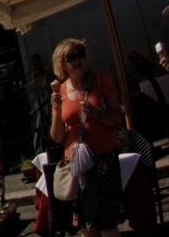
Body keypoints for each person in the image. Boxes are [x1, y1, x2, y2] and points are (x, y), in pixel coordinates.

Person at [49, 37, 125, 237]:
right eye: (71, 56)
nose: (77, 59)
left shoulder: (101, 80)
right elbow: (57, 137)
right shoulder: (61, 91)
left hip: (103, 161)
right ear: (62, 64)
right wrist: (56, 111)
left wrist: (97, 113)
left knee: (107, 222)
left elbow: (117, 117)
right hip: (77, 165)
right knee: (86, 224)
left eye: (80, 53)